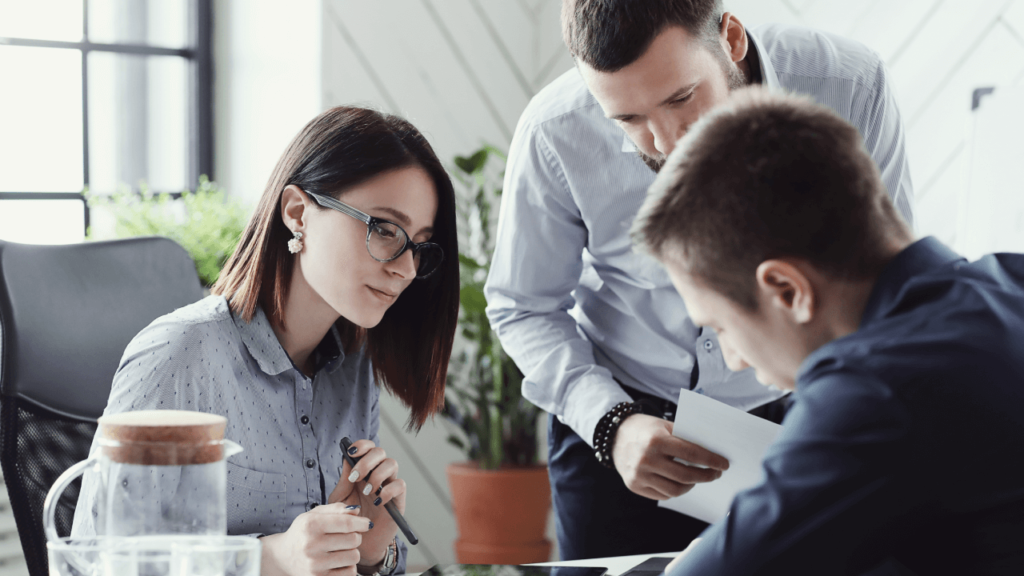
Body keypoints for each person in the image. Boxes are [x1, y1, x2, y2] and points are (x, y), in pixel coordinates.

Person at [484, 0, 916, 560]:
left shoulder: (850, 86)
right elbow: (522, 305)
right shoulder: (553, 131)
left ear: (730, 38)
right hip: (619, 427)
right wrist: (612, 424)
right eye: (628, 120)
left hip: (802, 416)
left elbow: (886, 282)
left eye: (681, 98)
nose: (666, 143)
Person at [632, 86, 1024, 575]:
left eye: (721, 327)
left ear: (787, 290)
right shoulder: (1010, 282)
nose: (732, 359)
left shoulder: (875, 389)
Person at [72, 106, 460, 576]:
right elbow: (91, 564)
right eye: (383, 228)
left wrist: (372, 552)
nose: (405, 268)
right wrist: (271, 559)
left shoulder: (354, 369)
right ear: (298, 213)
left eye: (419, 245)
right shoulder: (179, 355)